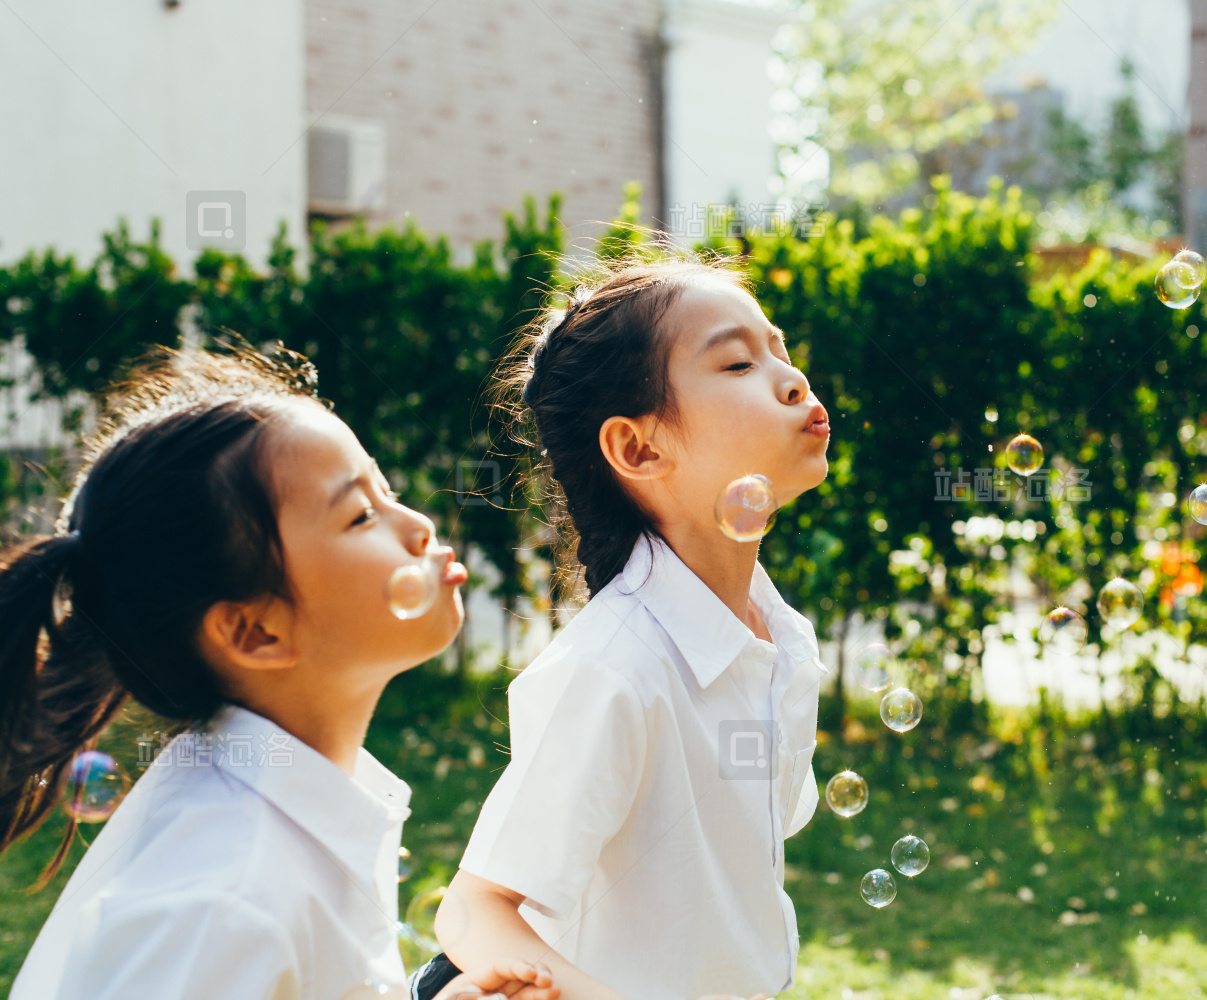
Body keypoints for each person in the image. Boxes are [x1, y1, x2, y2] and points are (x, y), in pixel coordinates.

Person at [0, 345, 557, 1000]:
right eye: (360, 516)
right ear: (256, 632)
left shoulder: (287, 809)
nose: (418, 526)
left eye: (389, 493)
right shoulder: (220, 905)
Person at [420, 254, 833, 999]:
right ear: (639, 448)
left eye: (778, 348)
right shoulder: (614, 669)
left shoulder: (782, 641)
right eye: (738, 363)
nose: (793, 377)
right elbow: (474, 909)